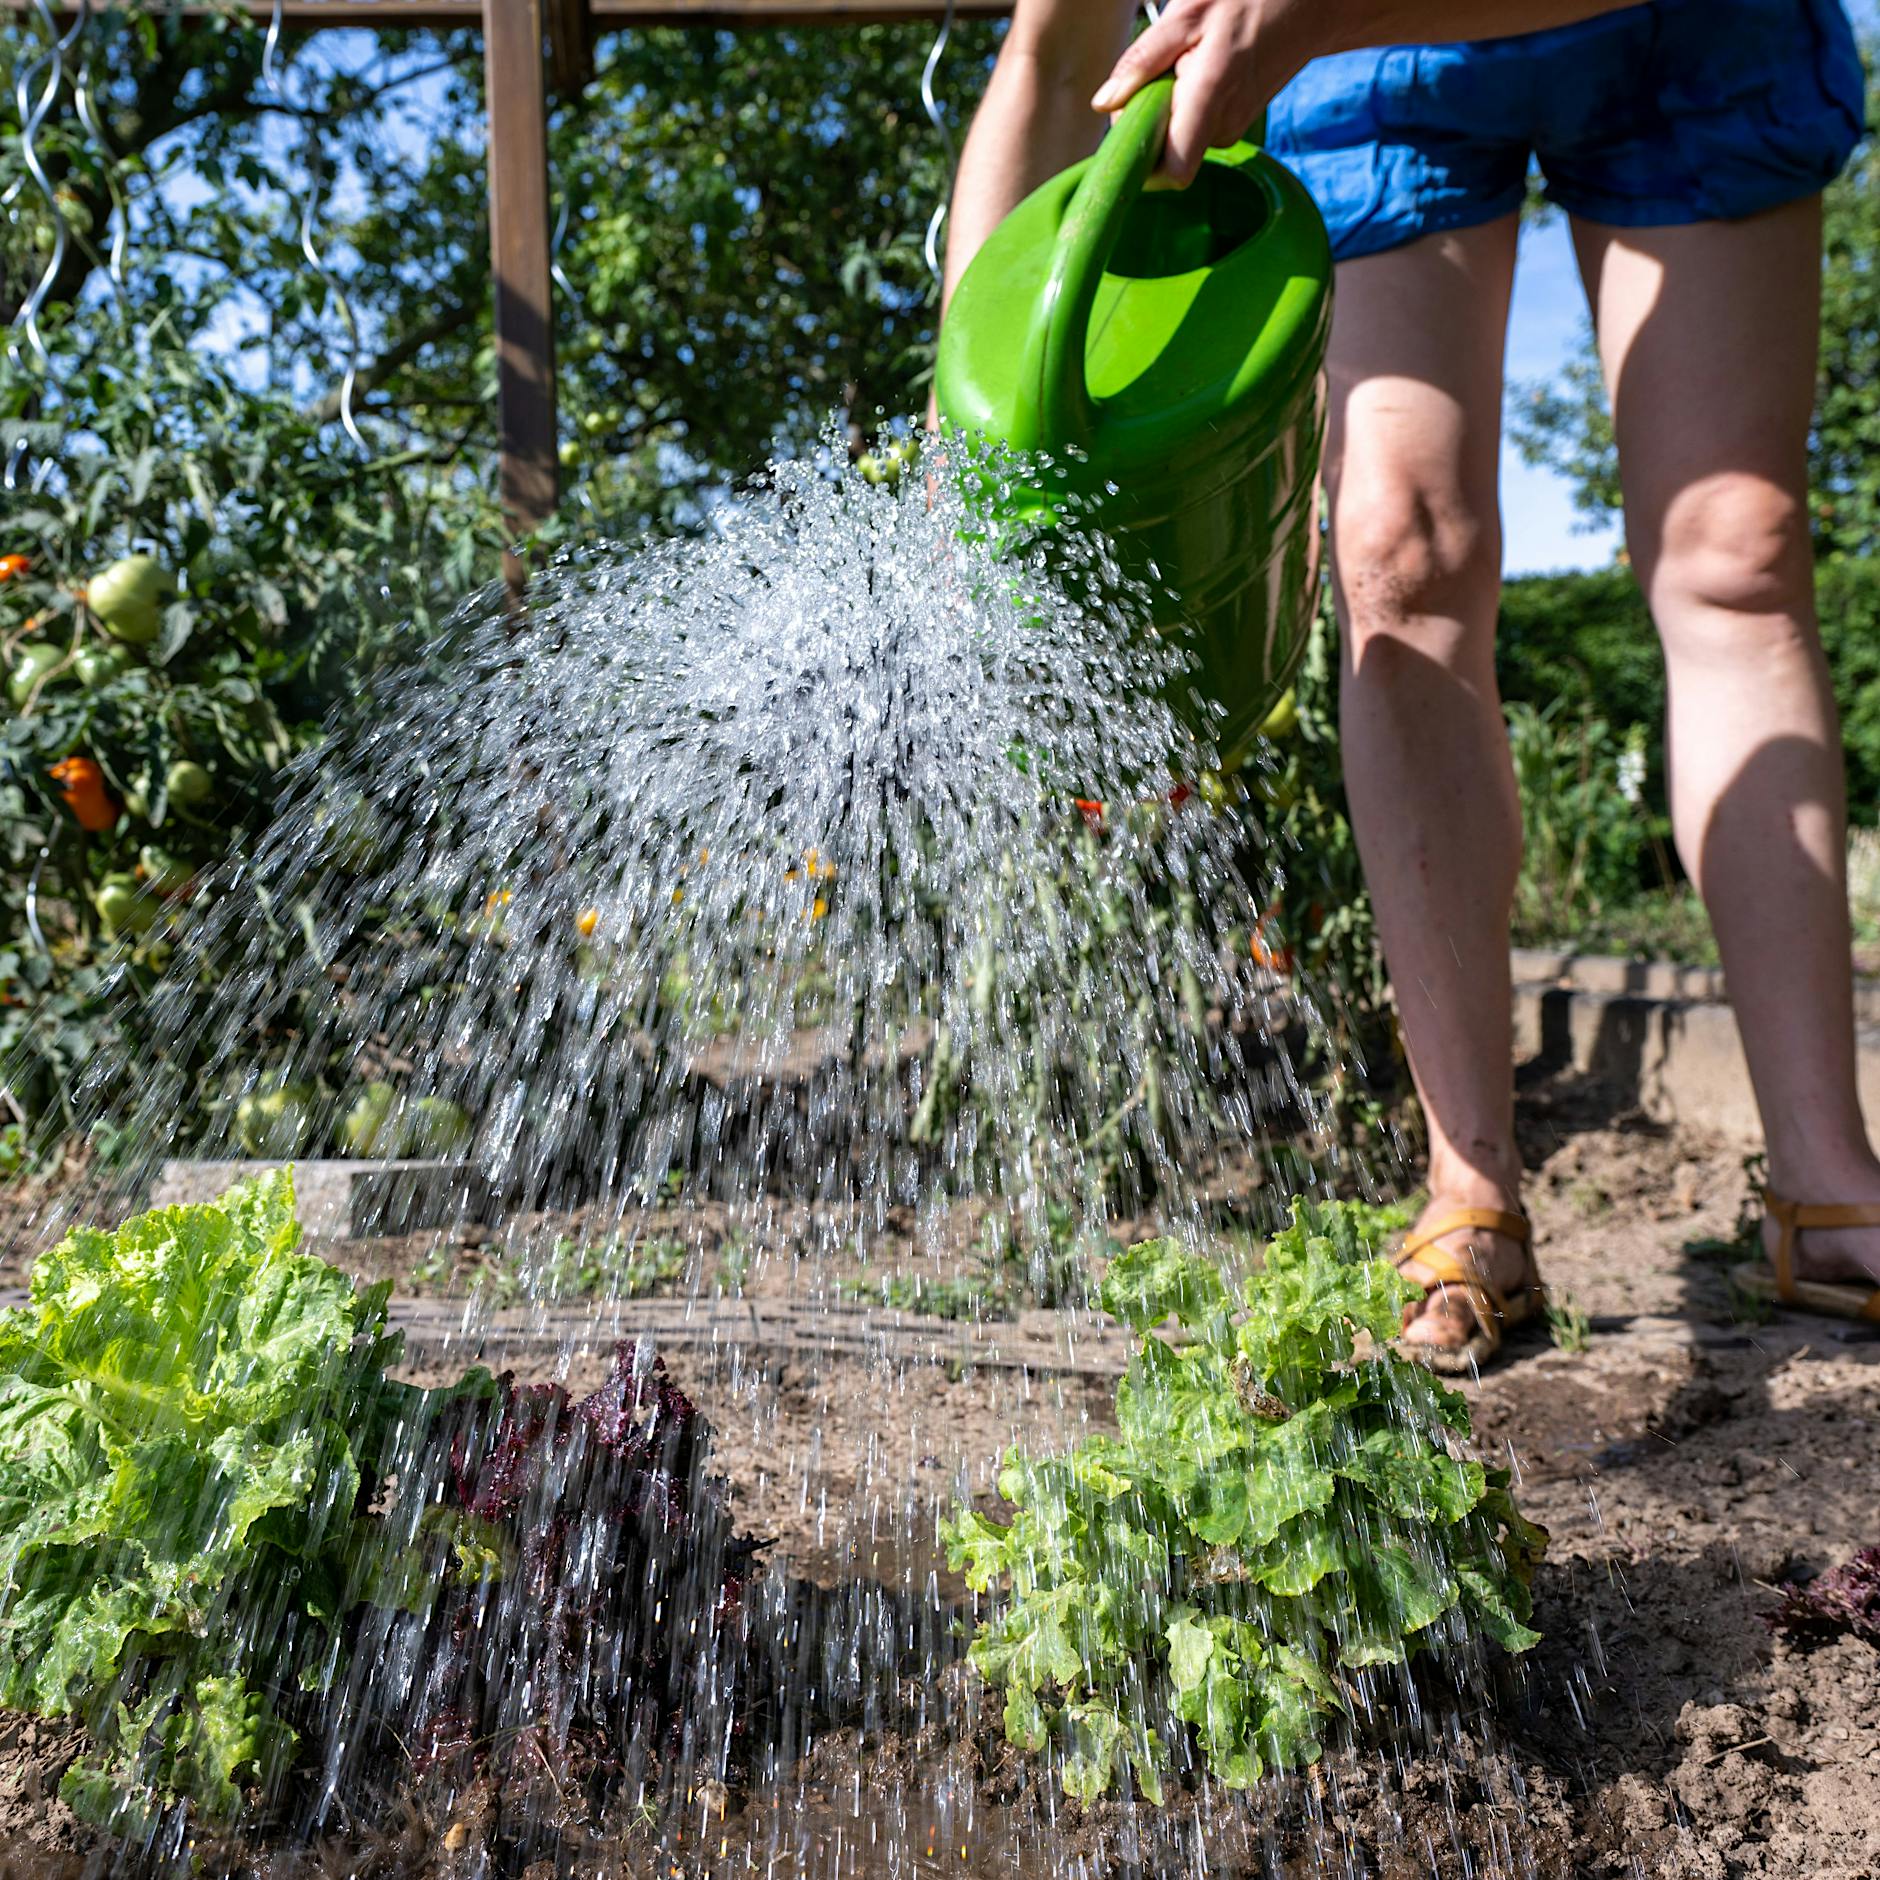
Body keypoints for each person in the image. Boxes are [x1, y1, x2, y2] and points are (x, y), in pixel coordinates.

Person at [938, 0, 1878, 1367]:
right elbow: (1051, 52)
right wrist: (974, 451)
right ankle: (1472, 1184)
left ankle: (1824, 1176)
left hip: (1679, 24)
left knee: (1738, 547)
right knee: (1396, 547)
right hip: (1361, 52)